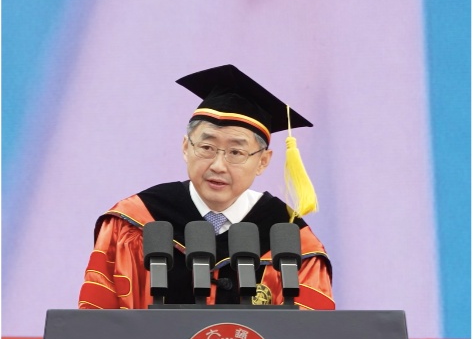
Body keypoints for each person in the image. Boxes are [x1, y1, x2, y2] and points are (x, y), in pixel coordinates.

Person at [79, 65, 334, 310]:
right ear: (185, 148)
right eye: (207, 148)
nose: (218, 165)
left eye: (236, 152)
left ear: (262, 162)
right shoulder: (135, 221)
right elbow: (100, 323)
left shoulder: (290, 240)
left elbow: (310, 333)